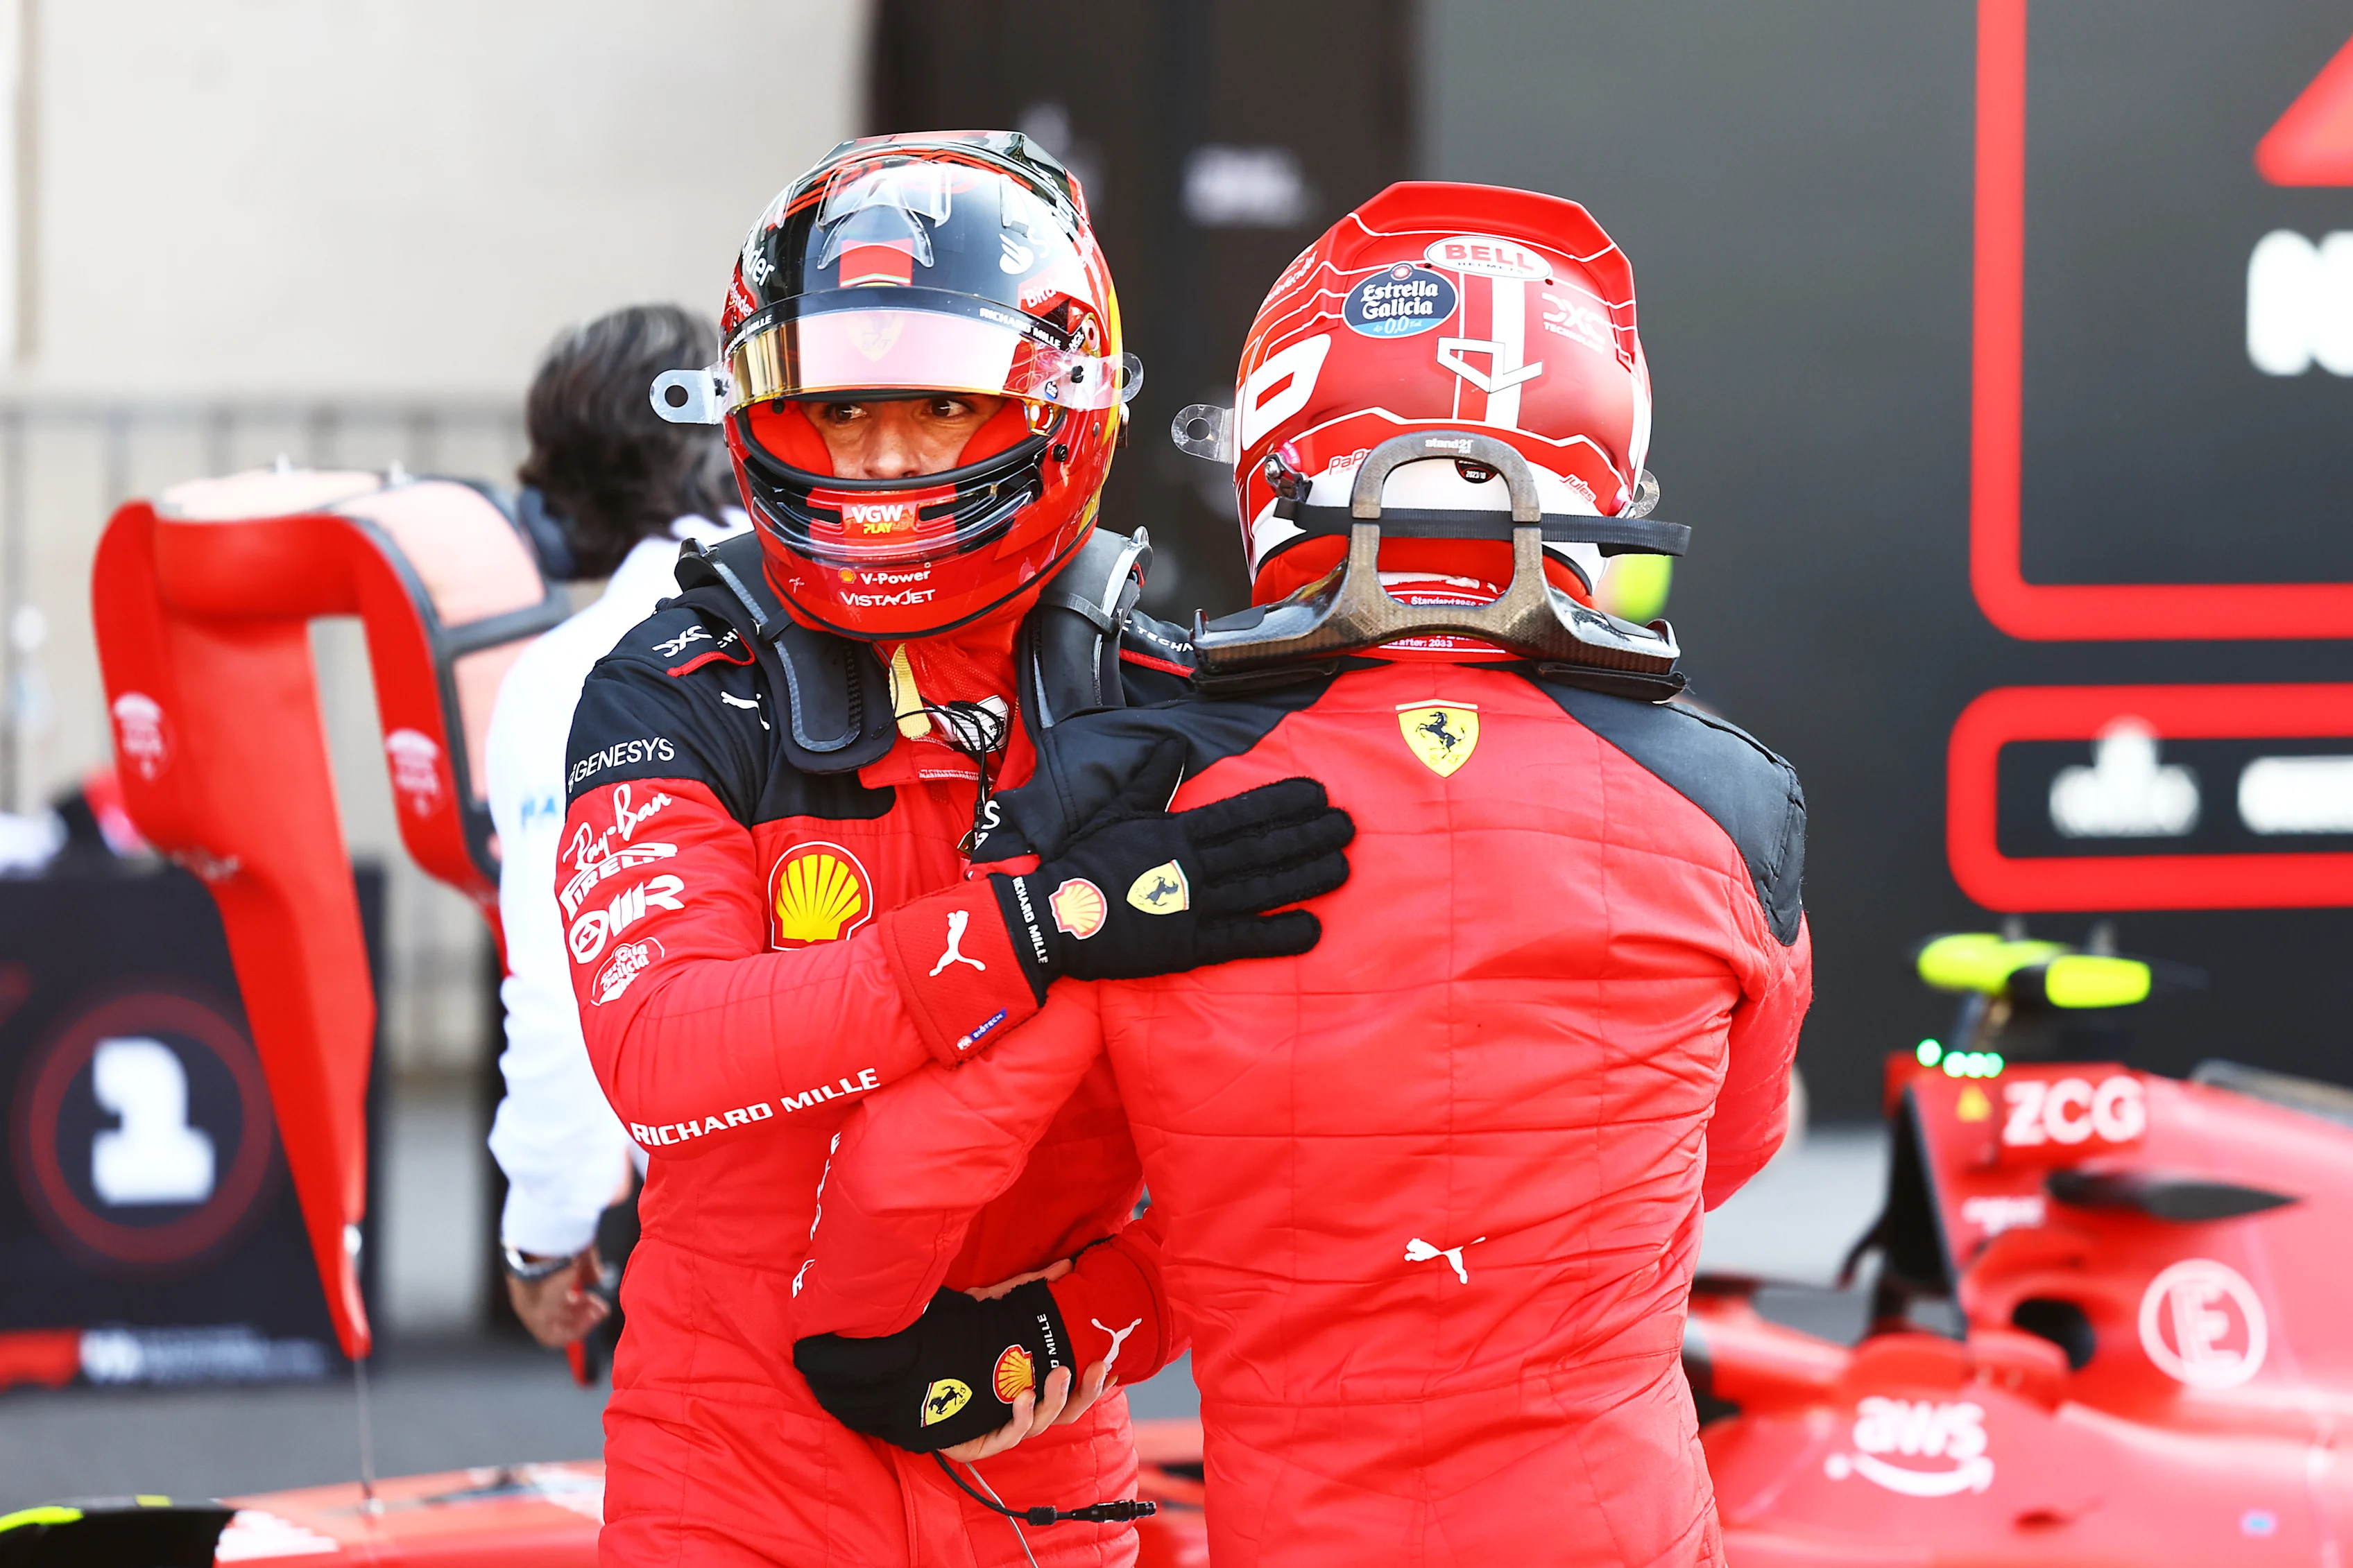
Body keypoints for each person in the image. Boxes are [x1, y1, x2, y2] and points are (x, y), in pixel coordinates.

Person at [789, 182, 1813, 1567]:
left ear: (1278, 454)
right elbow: (1728, 1144)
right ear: (1601, 486)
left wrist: (917, 1337)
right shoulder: (1732, 799)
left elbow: (909, 1176)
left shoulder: (1135, 784)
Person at [556, 131, 1352, 1567]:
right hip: (727, 1471)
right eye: (839, 410)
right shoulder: (674, 687)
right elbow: (662, 1053)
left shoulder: (1170, 712)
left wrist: (1104, 1311)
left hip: (1030, 1460)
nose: (878, 461)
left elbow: (1314, 1147)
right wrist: (1029, 929)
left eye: (937, 406)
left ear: (1063, 409)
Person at [486, 304, 745, 1349]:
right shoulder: (873, 603)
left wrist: (544, 1233)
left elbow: (570, 987)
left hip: (742, 1240)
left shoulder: (568, 679)